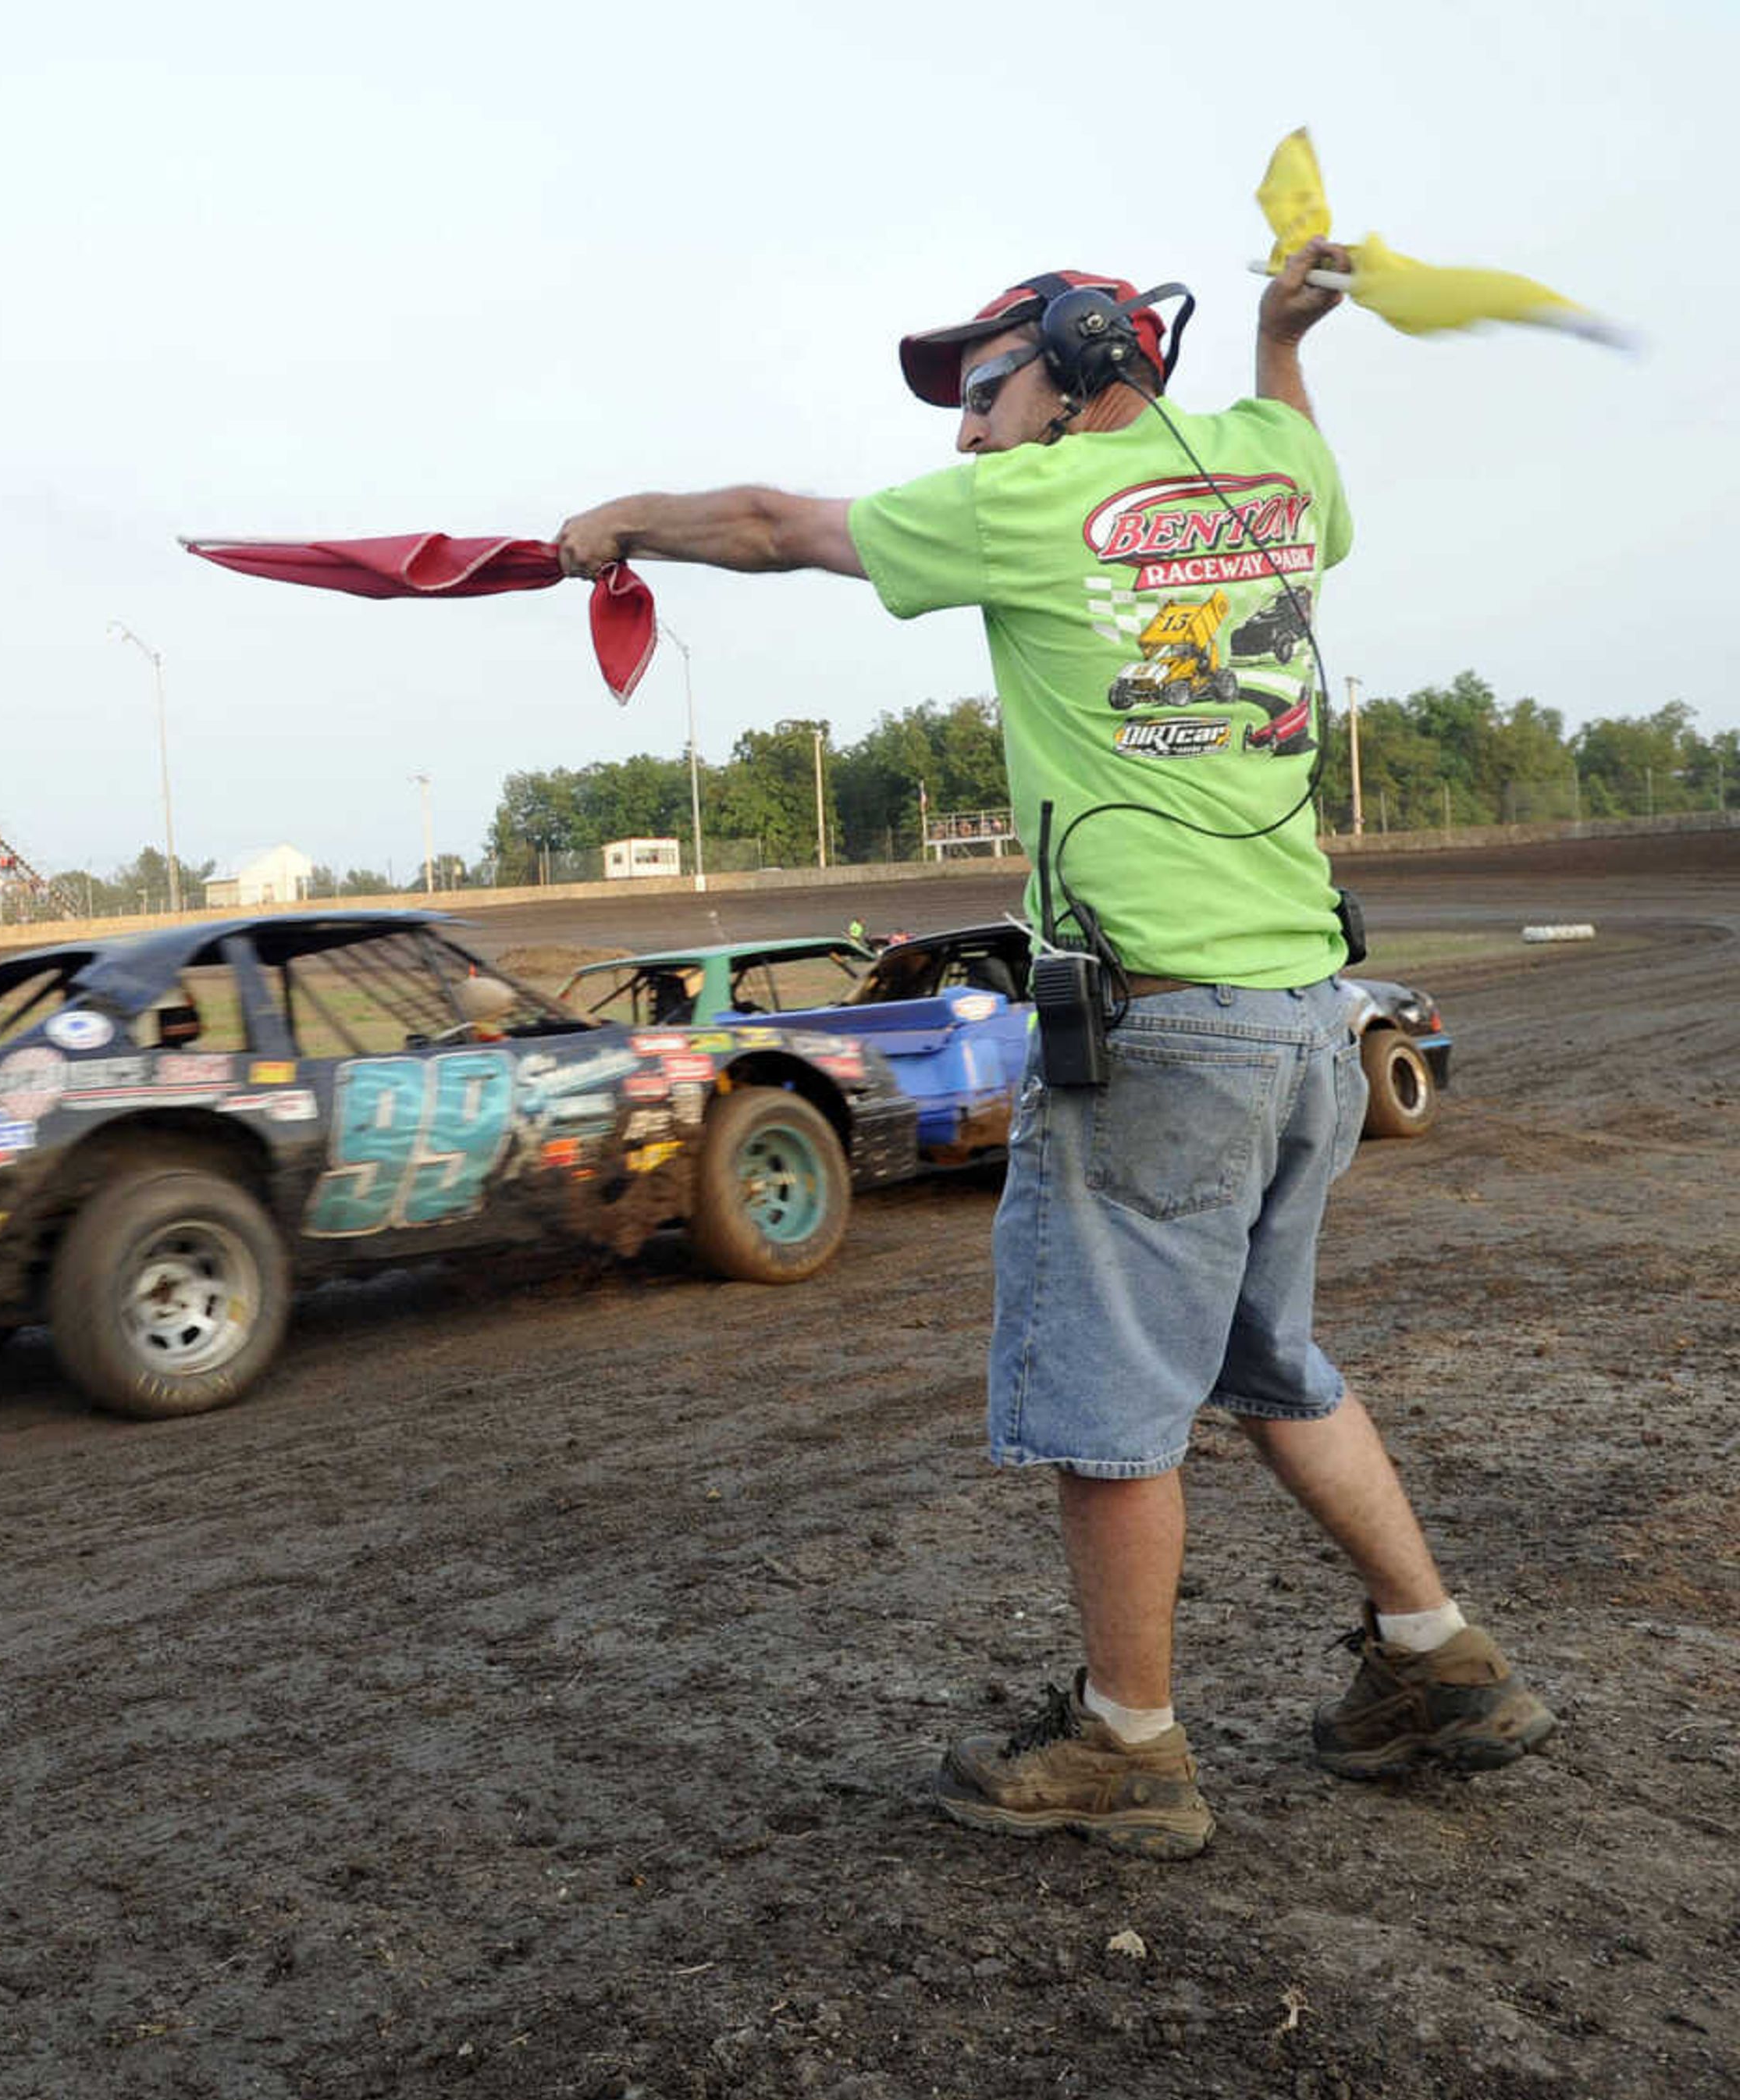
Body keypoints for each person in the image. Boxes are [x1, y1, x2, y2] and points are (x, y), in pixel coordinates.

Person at [557, 240, 1552, 1860]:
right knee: (1270, 1359)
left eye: (979, 386)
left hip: (1163, 1031)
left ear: (1084, 358)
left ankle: (1128, 1745)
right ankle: (1436, 1658)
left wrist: (618, 524)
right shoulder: (1275, 474)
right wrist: (1280, 341)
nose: (963, 430)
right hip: (1307, 1018)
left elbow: (767, 527)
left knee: (1106, 1398)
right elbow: (1300, 452)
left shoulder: (1034, 502)